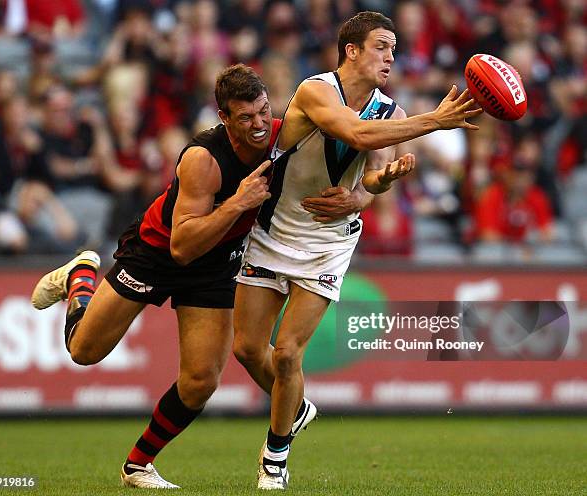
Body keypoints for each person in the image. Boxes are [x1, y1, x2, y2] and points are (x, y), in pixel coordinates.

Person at [30, 64, 367, 489]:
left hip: (218, 264)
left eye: (264, 111)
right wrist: (238, 202)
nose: (260, 125)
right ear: (224, 119)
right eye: (246, 118)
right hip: (158, 254)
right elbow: (183, 246)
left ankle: (137, 466)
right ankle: (81, 276)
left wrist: (367, 190)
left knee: (201, 380)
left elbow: (354, 146)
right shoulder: (202, 158)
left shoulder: (285, 138)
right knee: (83, 351)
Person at [232, 11, 482, 490]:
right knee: (246, 349)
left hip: (329, 240)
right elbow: (357, 135)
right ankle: (298, 407)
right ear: (351, 50)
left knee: (287, 355)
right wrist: (436, 121)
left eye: (394, 48)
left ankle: (274, 460)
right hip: (273, 230)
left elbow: (370, 177)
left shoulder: (393, 112)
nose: (391, 56)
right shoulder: (315, 90)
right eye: (382, 46)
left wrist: (374, 187)